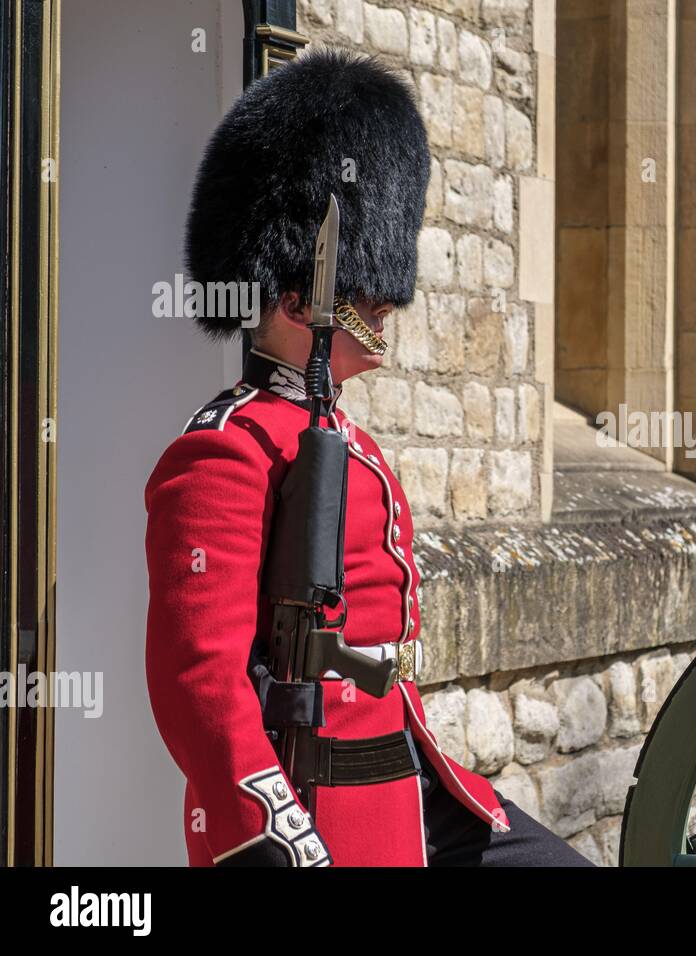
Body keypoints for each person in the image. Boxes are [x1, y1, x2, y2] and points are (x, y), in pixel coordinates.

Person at [144, 47, 590, 867]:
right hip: (311, 807)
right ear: (293, 296)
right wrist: (274, 835)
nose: (385, 305)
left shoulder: (350, 441)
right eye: (364, 288)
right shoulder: (222, 452)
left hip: (401, 782)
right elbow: (199, 679)